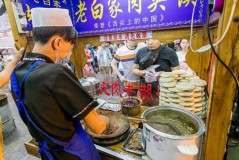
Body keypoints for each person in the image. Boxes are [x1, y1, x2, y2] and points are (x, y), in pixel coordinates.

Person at [10, 8, 109, 160]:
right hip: (74, 154)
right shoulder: (56, 72)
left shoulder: (16, 72)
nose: (71, 49)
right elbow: (99, 127)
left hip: (48, 153)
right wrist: (106, 120)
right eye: (71, 44)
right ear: (58, 42)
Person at [133, 38, 179, 106]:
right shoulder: (140, 51)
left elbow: (176, 72)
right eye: (148, 39)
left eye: (154, 39)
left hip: (163, 89)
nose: (150, 42)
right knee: (144, 109)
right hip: (145, 88)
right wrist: (141, 73)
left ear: (160, 39)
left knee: (162, 110)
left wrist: (163, 74)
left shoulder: (170, 52)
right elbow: (134, 70)